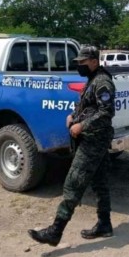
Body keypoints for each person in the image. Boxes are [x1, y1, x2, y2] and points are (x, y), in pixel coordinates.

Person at [28, 46, 116, 246]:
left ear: (94, 61)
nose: (79, 66)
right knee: (100, 183)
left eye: (82, 62)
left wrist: (81, 125)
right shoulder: (93, 80)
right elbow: (88, 106)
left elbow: (106, 113)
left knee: (73, 184)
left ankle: (55, 231)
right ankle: (105, 224)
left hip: (94, 141)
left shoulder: (103, 82)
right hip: (95, 139)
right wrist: (73, 116)